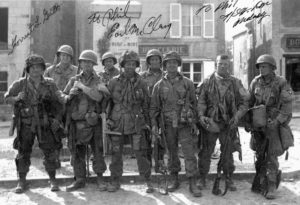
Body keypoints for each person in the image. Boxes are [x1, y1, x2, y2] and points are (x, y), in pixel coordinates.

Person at [5, 54, 67, 193]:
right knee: (23, 152)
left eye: (38, 67)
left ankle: (52, 179)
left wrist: (58, 118)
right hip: (26, 123)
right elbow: (6, 98)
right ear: (28, 69)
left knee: (50, 152)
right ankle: (22, 181)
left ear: (43, 69)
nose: (35, 70)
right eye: (32, 67)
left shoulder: (49, 84)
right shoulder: (20, 84)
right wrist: (16, 99)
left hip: (45, 123)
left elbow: (59, 99)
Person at [150, 51, 202, 197]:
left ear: (178, 65)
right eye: (168, 63)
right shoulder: (158, 86)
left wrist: (194, 122)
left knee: (189, 153)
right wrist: (154, 125)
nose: (171, 65)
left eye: (174, 62)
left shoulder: (188, 83)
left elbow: (195, 103)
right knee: (171, 152)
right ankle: (174, 178)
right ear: (164, 65)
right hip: (167, 125)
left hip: (184, 124)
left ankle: (192, 180)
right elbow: (154, 108)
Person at [197, 54, 249, 192]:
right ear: (216, 65)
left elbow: (245, 103)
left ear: (229, 66)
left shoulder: (235, 82)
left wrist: (237, 116)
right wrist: (201, 116)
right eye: (220, 64)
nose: (223, 66)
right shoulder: (207, 81)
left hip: (228, 124)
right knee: (205, 152)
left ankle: (228, 177)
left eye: (226, 64)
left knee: (227, 153)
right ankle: (202, 178)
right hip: (211, 123)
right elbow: (201, 101)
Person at [247, 54, 294, 199]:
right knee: (259, 154)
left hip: (273, 125)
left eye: (264, 66)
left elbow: (287, 105)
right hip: (258, 123)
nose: (261, 68)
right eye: (260, 66)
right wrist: (248, 122)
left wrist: (277, 121)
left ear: (272, 67)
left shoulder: (281, 82)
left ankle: (272, 185)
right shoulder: (255, 82)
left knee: (272, 156)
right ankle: (262, 181)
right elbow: (249, 103)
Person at [106, 50, 153, 193]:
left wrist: (149, 123)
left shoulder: (142, 83)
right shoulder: (113, 82)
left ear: (136, 65)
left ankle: (147, 180)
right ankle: (115, 180)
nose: (130, 66)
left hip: (136, 122)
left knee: (141, 153)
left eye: (133, 64)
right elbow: (108, 103)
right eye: (127, 64)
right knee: (116, 153)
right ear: (122, 65)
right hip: (117, 121)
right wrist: (107, 120)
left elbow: (146, 104)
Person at [64, 50, 110, 192]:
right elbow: (64, 97)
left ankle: (100, 178)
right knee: (77, 152)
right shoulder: (73, 80)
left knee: (97, 151)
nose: (86, 64)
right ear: (80, 63)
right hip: (77, 121)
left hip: (94, 121)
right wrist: (71, 93)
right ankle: (79, 179)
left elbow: (99, 97)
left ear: (94, 64)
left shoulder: (99, 79)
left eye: (89, 62)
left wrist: (83, 88)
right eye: (84, 62)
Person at [140, 49, 164, 168]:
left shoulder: (165, 75)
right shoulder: (142, 76)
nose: (154, 62)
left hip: (162, 112)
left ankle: (159, 163)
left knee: (161, 139)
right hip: (146, 111)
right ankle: (147, 165)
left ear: (160, 61)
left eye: (157, 59)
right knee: (146, 139)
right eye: (152, 59)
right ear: (148, 62)